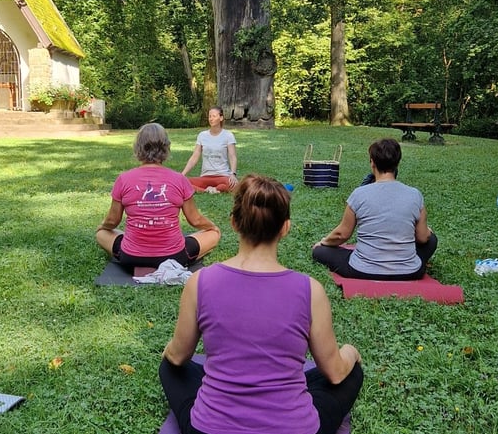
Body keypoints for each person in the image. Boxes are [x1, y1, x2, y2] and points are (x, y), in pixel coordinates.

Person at [160, 174, 363, 434]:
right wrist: (351, 352)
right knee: (350, 373)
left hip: (209, 429)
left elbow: (177, 356)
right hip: (294, 430)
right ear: (285, 227)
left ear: (234, 222)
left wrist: (169, 350)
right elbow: (335, 373)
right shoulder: (310, 290)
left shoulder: (200, 282)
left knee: (170, 367)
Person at [96, 123, 220, 272]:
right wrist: (213, 227)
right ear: (166, 147)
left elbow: (112, 221)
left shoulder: (124, 179)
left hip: (131, 257)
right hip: (174, 257)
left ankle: (140, 261)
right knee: (213, 234)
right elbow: (196, 220)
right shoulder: (179, 179)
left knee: (101, 233)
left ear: (138, 147)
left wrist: (102, 226)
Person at [312, 138, 437, 280]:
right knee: (431, 239)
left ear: (372, 162)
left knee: (320, 251)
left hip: (362, 270)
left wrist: (323, 242)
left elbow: (342, 234)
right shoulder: (415, 194)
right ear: (397, 163)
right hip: (410, 272)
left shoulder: (359, 194)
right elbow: (423, 237)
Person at [181, 106, 238, 194]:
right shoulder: (202, 135)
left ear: (221, 118)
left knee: (235, 185)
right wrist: (182, 174)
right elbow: (195, 156)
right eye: (209, 116)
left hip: (222, 176)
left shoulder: (228, 135)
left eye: (214, 116)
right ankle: (208, 190)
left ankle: (215, 188)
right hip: (206, 176)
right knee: (184, 182)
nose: (211, 119)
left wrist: (233, 174)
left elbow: (232, 156)